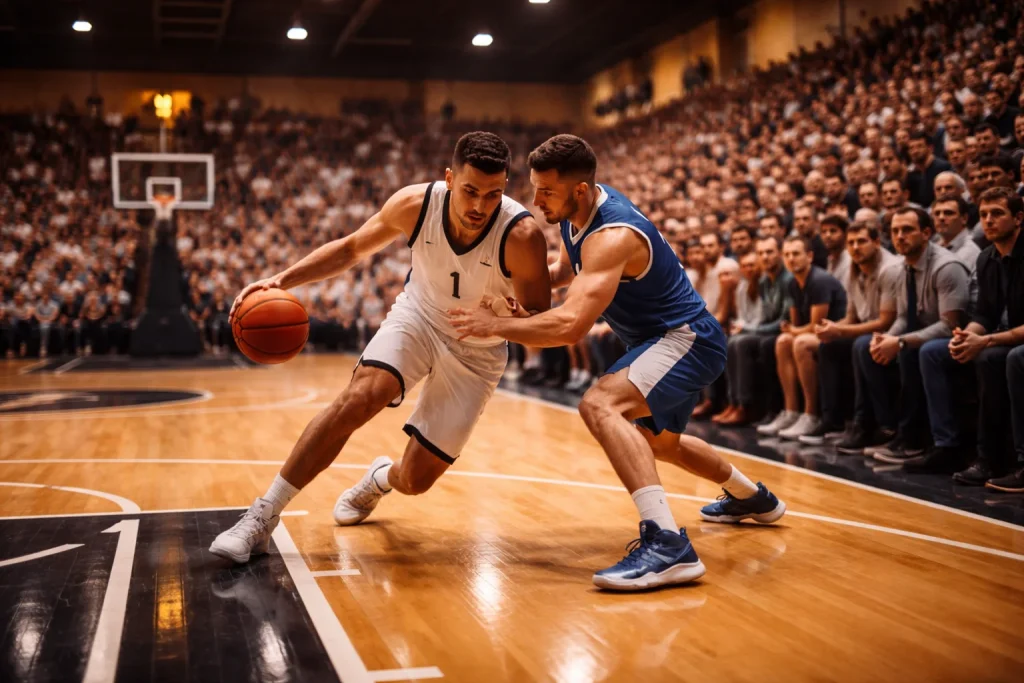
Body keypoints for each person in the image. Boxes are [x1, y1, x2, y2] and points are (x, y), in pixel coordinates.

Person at [449, 134, 785, 592]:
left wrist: (493, 326)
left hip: (685, 339)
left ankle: (668, 545)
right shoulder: (577, 215)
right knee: (663, 445)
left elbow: (570, 327)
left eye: (545, 191)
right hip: (660, 342)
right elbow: (567, 275)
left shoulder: (612, 235)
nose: (535, 200)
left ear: (579, 190)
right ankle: (754, 498)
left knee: (599, 404)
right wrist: (511, 296)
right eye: (535, 188)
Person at [209, 132, 552, 563]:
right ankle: (262, 516)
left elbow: (542, 320)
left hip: (478, 351)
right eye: (469, 191)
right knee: (360, 398)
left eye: (493, 195)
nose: (480, 206)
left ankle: (379, 479)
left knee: (416, 479)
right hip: (420, 318)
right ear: (449, 178)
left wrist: (501, 321)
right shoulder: (414, 205)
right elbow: (352, 248)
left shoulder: (521, 236)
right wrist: (282, 280)